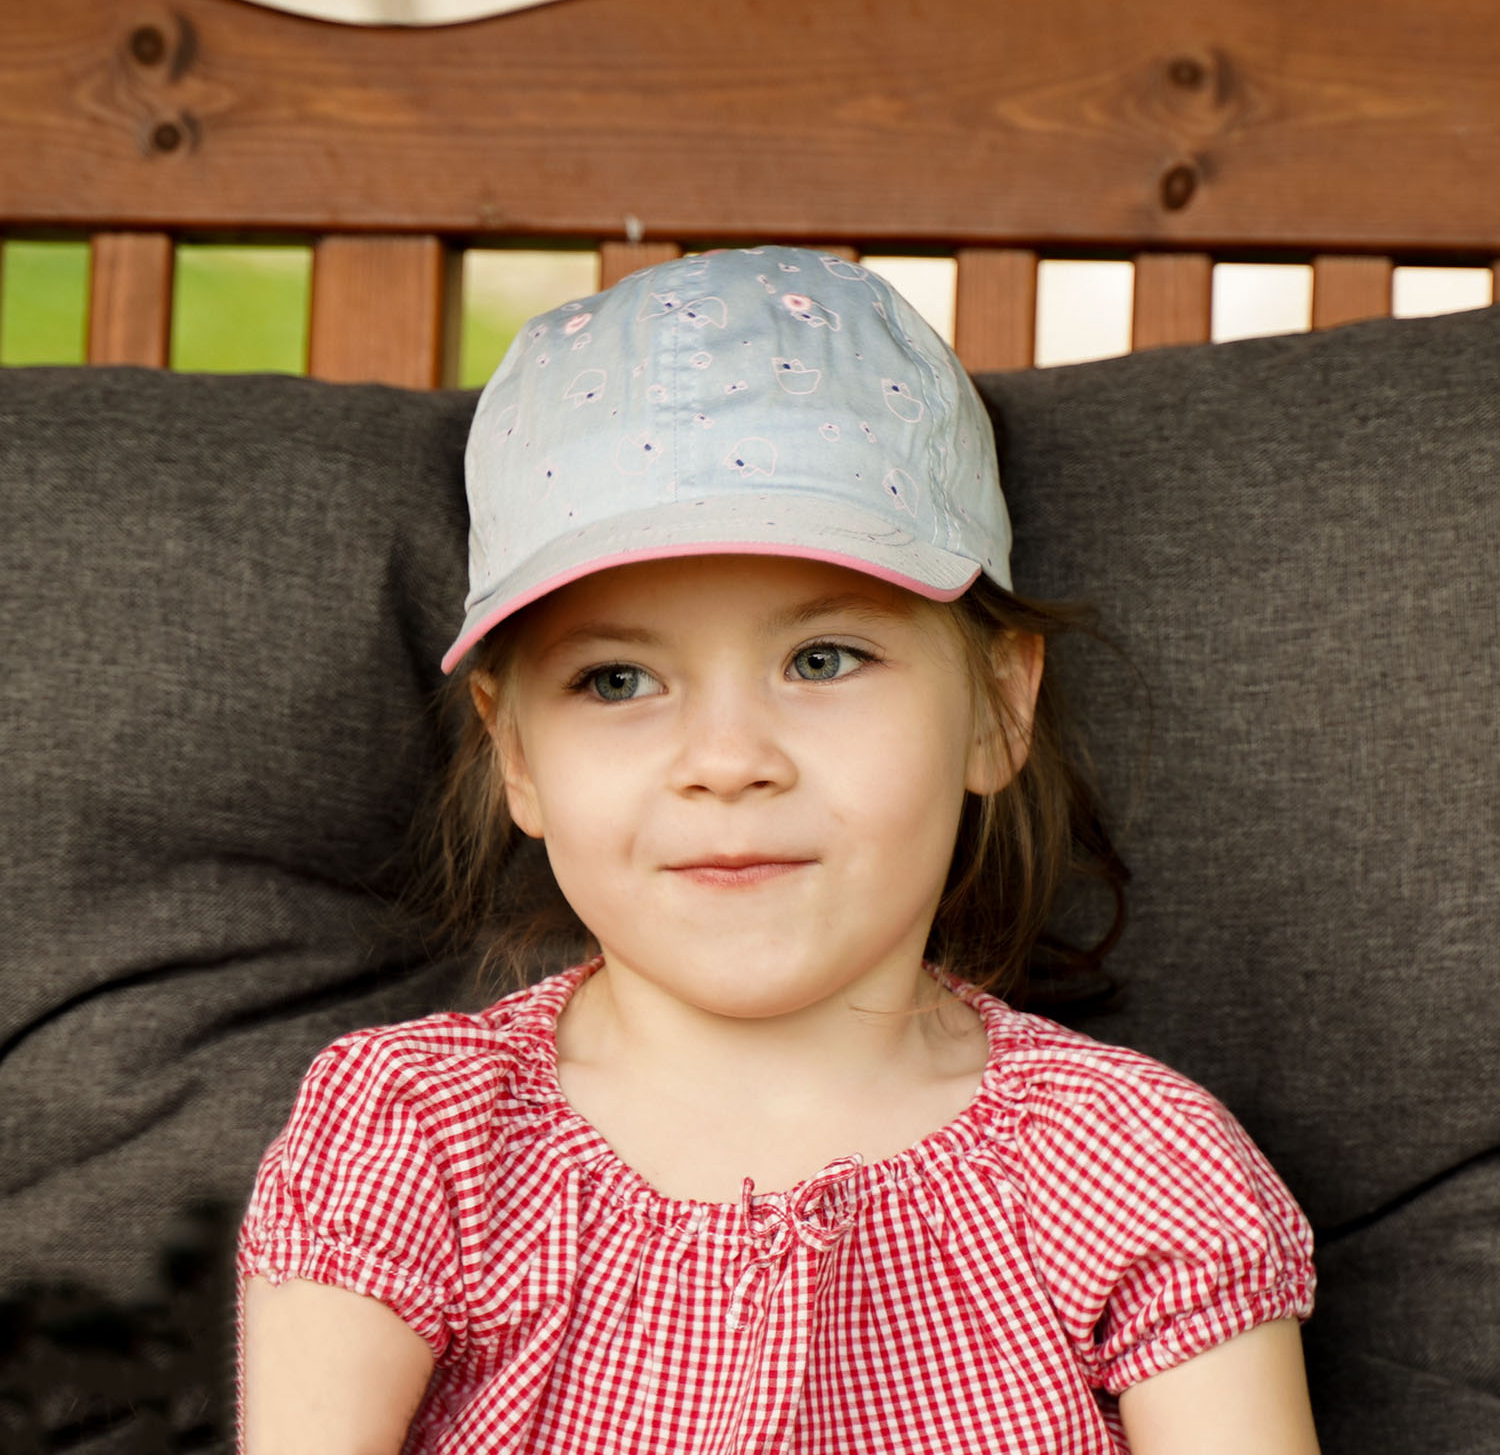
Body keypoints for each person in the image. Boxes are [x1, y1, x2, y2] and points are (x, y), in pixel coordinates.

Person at [236, 246, 1320, 1454]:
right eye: (617, 679)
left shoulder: (1131, 1166)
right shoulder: (415, 1137)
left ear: (997, 709)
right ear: (519, 761)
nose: (727, 758)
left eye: (822, 661)